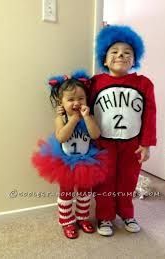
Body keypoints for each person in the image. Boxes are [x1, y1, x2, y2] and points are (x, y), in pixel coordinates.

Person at [90, 25, 157, 235]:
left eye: (127, 52)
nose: (121, 55)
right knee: (104, 181)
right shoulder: (95, 82)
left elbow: (150, 114)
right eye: (115, 52)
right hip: (103, 143)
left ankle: (127, 213)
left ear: (134, 58)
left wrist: (146, 144)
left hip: (133, 143)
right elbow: (85, 109)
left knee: (128, 180)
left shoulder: (144, 83)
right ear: (104, 58)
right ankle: (105, 217)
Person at [32, 71, 109, 239]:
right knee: (66, 193)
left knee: (85, 192)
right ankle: (67, 220)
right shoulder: (61, 119)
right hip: (65, 162)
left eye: (81, 98)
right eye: (71, 99)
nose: (76, 103)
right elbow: (61, 137)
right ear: (61, 102)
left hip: (87, 161)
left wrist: (86, 117)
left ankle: (82, 218)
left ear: (86, 100)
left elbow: (95, 135)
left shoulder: (88, 117)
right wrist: (73, 119)